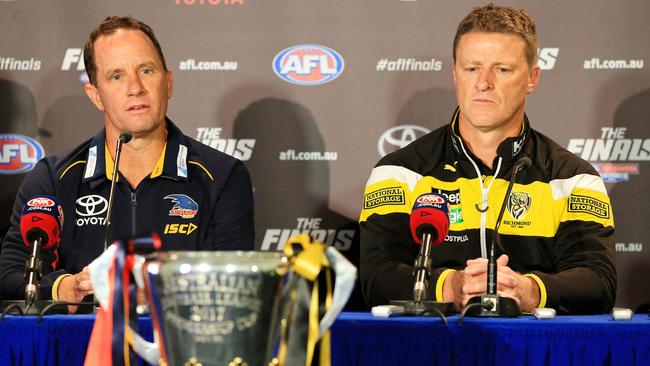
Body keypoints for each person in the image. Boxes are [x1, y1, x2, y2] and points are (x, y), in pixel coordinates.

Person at [359, 4, 616, 315]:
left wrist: (530, 291)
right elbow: (376, 277)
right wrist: (450, 286)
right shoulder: (400, 171)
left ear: (532, 78)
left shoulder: (572, 177)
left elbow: (599, 282)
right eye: (471, 68)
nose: (483, 82)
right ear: (455, 74)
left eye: (502, 69)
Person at [0, 16, 254, 306]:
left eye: (146, 70)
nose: (135, 87)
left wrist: (162, 291)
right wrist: (64, 288)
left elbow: (236, 283)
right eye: (116, 76)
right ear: (96, 95)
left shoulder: (222, 176)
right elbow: (10, 274)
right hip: (80, 349)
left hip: (179, 349)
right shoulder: (53, 179)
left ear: (168, 82)